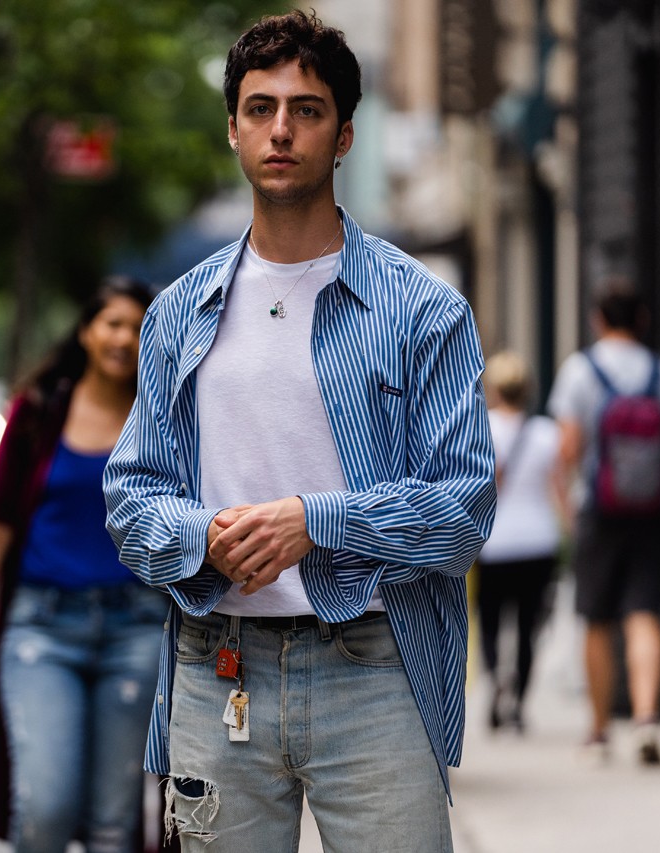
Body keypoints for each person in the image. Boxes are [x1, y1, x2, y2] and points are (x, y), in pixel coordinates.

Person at [103, 11, 496, 851]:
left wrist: (313, 521)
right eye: (260, 108)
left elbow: (463, 511)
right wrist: (200, 534)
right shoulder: (179, 313)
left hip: (376, 668)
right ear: (235, 128)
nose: (281, 128)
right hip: (219, 670)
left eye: (307, 109)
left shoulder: (422, 309)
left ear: (345, 133)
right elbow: (133, 497)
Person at [0, 276, 166, 853]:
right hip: (42, 630)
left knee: (116, 823)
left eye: (138, 328)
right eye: (112, 323)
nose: (125, 338)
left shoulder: (163, 417)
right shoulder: (38, 413)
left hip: (136, 630)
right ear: (87, 331)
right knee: (45, 808)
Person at [547, 280, 660, 765]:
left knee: (596, 618)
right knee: (644, 613)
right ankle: (648, 717)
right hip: (651, 513)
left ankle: (599, 727)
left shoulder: (581, 371)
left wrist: (568, 504)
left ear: (598, 320)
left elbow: (568, 448)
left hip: (599, 511)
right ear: (643, 320)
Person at [476, 351, 566, 732]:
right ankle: (520, 704)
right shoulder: (547, 432)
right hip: (538, 542)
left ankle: (496, 672)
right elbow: (559, 491)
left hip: (492, 543)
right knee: (529, 626)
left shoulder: (482, 428)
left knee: (491, 621)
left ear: (494, 388)